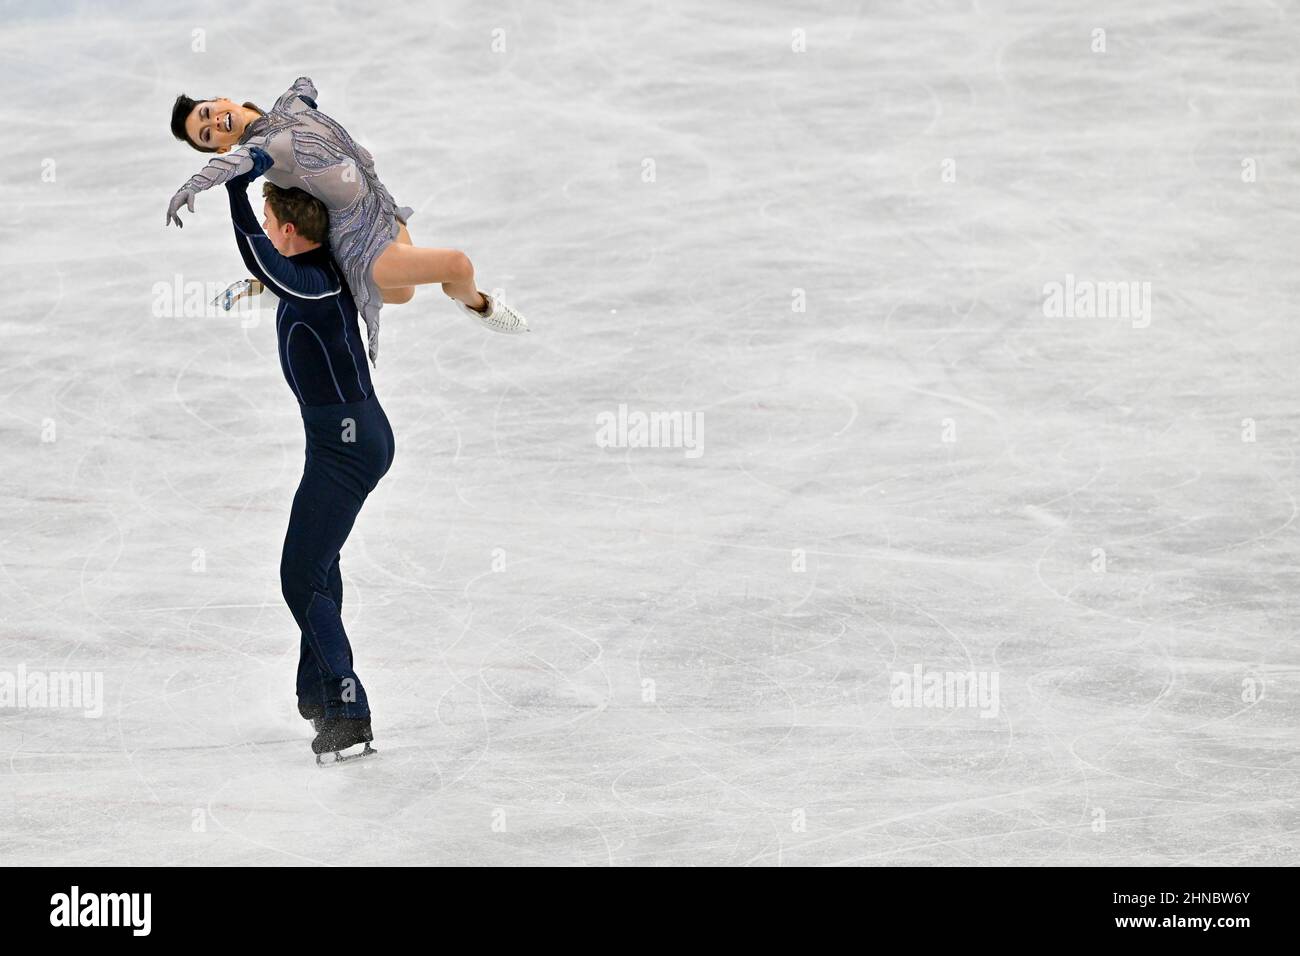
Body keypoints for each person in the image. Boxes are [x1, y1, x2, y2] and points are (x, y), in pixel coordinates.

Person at [167, 76, 528, 365]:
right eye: (207, 135)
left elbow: (305, 85)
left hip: (379, 206)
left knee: (402, 293)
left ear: (224, 100)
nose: (212, 123)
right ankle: (478, 304)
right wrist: (193, 184)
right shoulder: (259, 151)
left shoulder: (289, 104)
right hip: (358, 240)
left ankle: (280, 286)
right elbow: (231, 167)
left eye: (207, 112)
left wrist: (303, 94)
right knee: (457, 265)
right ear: (220, 147)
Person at [224, 145, 388, 760]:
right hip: (344, 438)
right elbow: (270, 274)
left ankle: (346, 711)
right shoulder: (316, 273)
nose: (267, 232)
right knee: (318, 569)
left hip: (348, 446)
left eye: (272, 224)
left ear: (289, 233)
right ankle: (319, 696)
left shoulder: (314, 282)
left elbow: (265, 262)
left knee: (300, 577)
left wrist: (236, 190)